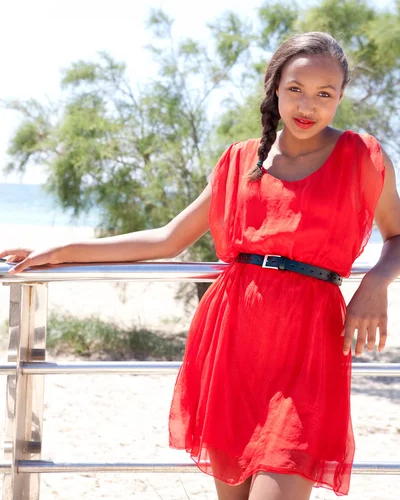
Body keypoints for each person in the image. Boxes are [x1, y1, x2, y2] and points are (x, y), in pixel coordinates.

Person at [1, 31, 399, 500]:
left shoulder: (362, 157)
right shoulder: (239, 161)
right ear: (275, 87)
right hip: (235, 343)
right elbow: (168, 239)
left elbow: (397, 234)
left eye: (324, 94)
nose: (307, 105)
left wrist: (376, 282)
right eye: (295, 89)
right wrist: (65, 249)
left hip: (310, 347)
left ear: (340, 98)